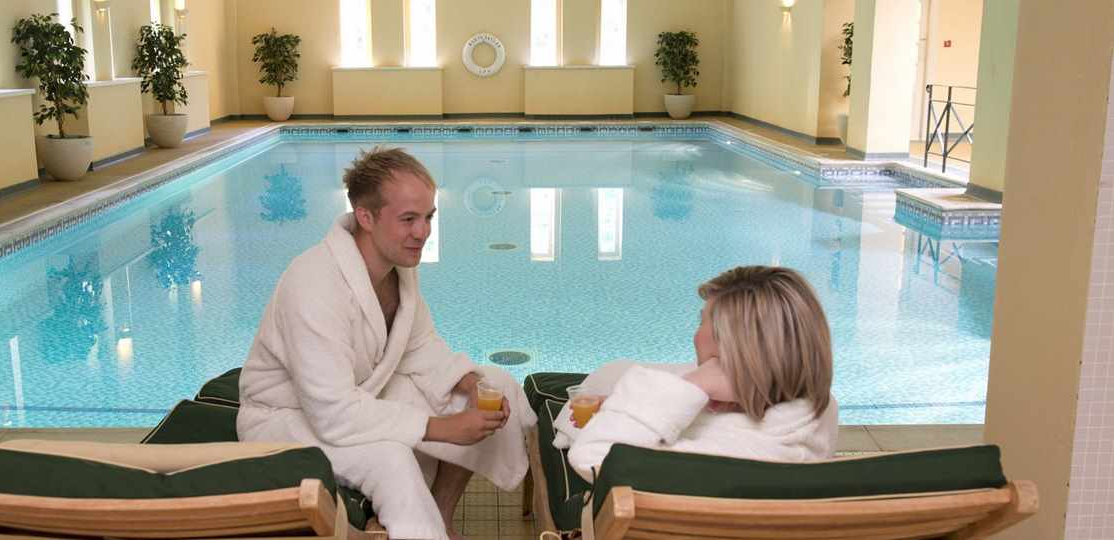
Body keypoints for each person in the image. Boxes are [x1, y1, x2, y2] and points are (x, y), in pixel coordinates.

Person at [237, 147, 537, 540]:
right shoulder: (313, 283)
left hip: (361, 392)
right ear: (366, 217)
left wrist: (467, 382)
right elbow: (332, 413)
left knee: (491, 383)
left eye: (429, 217)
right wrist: (440, 427)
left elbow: (418, 347)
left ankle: (441, 518)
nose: (423, 232)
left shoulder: (397, 269)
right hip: (287, 417)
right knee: (391, 459)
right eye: (409, 219)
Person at [561, 266, 838, 481]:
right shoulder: (817, 412)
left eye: (702, 322)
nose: (696, 335)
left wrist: (694, 382)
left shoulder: (712, 461)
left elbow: (591, 456)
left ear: (728, 345)